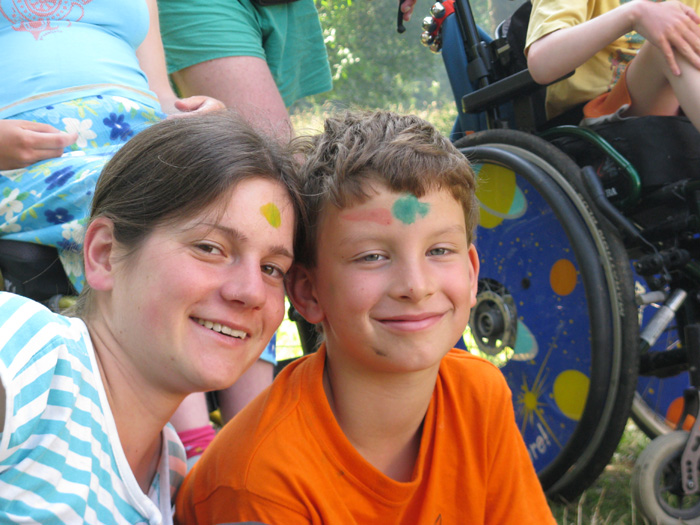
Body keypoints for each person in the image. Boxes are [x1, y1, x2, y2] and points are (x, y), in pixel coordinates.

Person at [174, 110, 556, 524]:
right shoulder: (263, 480)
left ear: (470, 272)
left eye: (439, 251)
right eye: (372, 256)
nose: (415, 286)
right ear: (307, 292)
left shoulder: (477, 394)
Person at [0, 111, 303, 523]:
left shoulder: (171, 477)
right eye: (209, 248)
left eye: (272, 269)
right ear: (105, 254)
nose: (251, 292)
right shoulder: (27, 351)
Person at [0, 0, 223, 292]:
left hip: (142, 145)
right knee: (142, 196)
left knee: (234, 183)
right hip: (24, 161)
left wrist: (200, 120)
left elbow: (161, 95)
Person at [525, 0, 700, 130]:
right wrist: (635, 14)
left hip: (682, 114)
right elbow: (541, 64)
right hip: (597, 124)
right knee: (673, 42)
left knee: (681, 37)